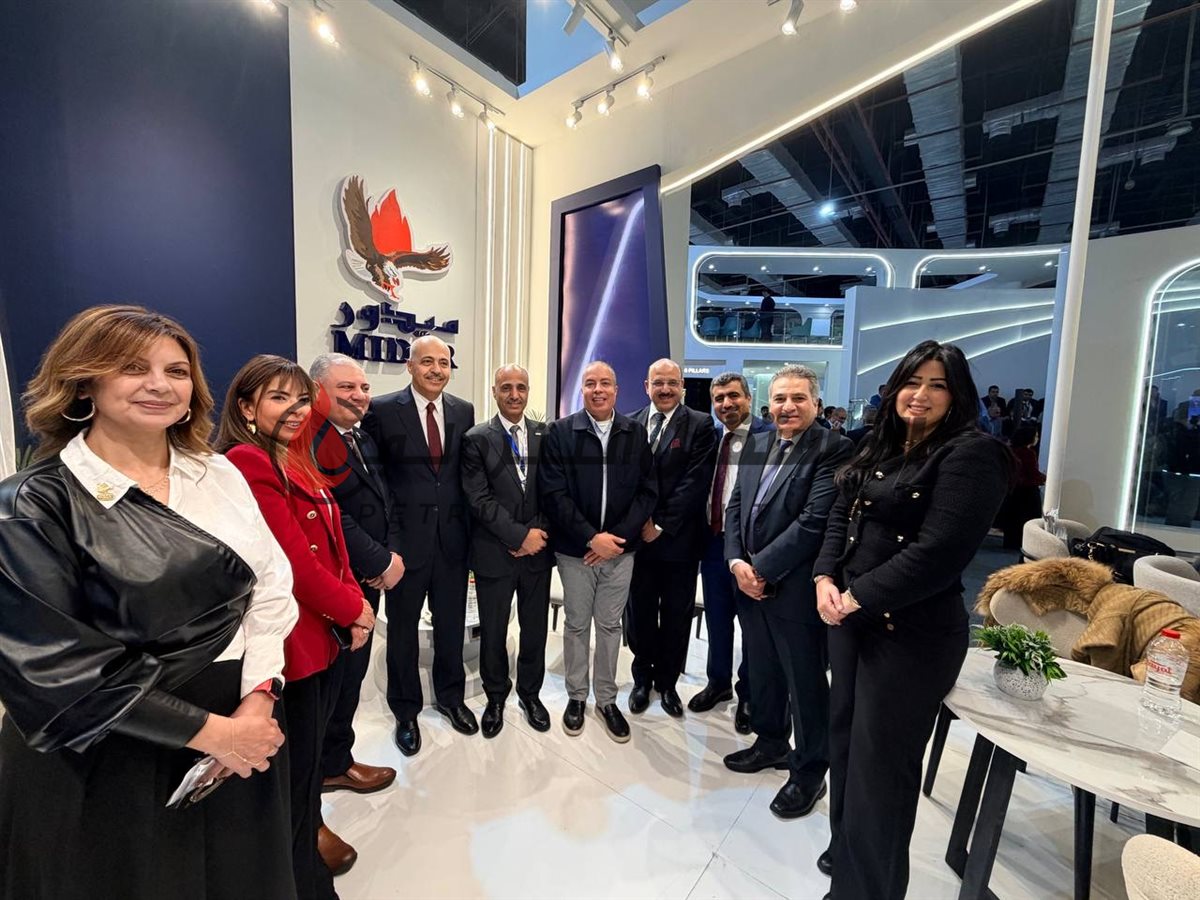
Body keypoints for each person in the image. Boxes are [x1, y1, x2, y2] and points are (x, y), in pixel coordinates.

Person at [0, 306, 296, 898]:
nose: (159, 384)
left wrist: (259, 699)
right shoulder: (33, 502)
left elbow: (271, 586)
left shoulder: (218, 473)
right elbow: (54, 666)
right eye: (133, 367)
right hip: (110, 747)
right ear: (84, 381)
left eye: (176, 371)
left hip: (241, 724)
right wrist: (212, 734)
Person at [813, 340, 1011, 900]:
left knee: (880, 774)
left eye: (937, 385)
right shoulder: (881, 444)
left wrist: (854, 597)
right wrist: (824, 577)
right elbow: (840, 515)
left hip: (910, 637)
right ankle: (847, 873)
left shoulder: (972, 455)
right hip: (850, 622)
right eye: (912, 381)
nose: (920, 394)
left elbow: (939, 552)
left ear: (958, 395)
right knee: (845, 751)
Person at [220, 355, 375, 900]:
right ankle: (304, 882)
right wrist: (352, 609)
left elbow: (331, 544)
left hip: (321, 635)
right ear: (246, 407)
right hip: (294, 644)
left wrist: (352, 600)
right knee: (294, 777)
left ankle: (304, 860)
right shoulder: (248, 460)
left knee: (306, 774)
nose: (295, 409)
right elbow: (293, 562)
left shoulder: (291, 456)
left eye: (302, 399)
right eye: (278, 398)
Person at [723, 365, 852, 819]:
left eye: (798, 398)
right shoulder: (758, 443)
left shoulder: (834, 449)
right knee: (763, 671)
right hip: (749, 583)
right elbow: (736, 506)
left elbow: (814, 522)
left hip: (795, 589)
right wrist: (736, 562)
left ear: (816, 403)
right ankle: (771, 742)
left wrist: (760, 569)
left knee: (805, 683)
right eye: (779, 398)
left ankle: (810, 770)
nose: (788, 407)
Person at [362, 335, 477, 755]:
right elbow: (377, 483)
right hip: (404, 544)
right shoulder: (380, 411)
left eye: (443, 363)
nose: (436, 370)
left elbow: (460, 478)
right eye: (427, 362)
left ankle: (451, 698)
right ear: (410, 366)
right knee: (403, 631)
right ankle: (406, 710)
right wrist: (387, 545)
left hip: (452, 542)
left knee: (450, 626)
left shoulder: (464, 410)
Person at [307, 355, 398, 853]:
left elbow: (384, 501)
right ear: (317, 390)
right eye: (347, 387)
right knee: (327, 687)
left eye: (364, 388)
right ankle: (318, 779)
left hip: (367, 578)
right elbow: (333, 515)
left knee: (350, 678)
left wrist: (388, 557)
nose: (360, 396)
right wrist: (378, 559)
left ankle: (336, 763)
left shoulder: (359, 436)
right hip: (336, 581)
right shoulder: (307, 440)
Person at [538, 361, 657, 741]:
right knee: (576, 624)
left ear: (617, 390)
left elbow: (647, 491)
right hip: (575, 552)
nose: (598, 389)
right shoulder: (560, 432)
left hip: (620, 552)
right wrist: (591, 538)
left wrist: (614, 540)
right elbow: (553, 494)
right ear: (582, 390)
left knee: (609, 626)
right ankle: (576, 696)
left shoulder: (635, 432)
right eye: (590, 383)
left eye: (606, 383)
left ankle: (606, 700)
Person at [460, 365, 554, 737]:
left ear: (528, 391)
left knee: (534, 630)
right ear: (495, 391)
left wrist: (537, 535)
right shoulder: (476, 438)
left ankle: (531, 695)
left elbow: (555, 490)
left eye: (521, 388)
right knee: (494, 631)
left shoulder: (546, 435)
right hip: (494, 553)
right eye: (506, 388)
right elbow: (478, 499)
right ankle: (495, 696)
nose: (514, 395)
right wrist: (518, 537)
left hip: (538, 553)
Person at [627, 359, 717, 718]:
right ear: (646, 386)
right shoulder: (630, 423)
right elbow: (624, 481)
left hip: (679, 541)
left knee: (676, 616)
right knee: (640, 613)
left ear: (682, 386)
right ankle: (641, 680)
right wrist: (637, 524)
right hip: (638, 541)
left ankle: (667, 684)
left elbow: (695, 482)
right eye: (658, 382)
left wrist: (660, 524)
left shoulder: (700, 424)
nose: (665, 389)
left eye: (672, 383)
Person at [689, 372, 772, 732]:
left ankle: (748, 693)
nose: (727, 404)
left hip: (752, 548)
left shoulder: (769, 438)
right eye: (719, 398)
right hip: (713, 542)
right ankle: (718, 682)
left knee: (751, 625)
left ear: (749, 398)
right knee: (717, 618)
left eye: (734, 396)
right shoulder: (710, 437)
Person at [998, 425, 1045, 549]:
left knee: (1013, 518)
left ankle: (1010, 542)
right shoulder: (1028, 453)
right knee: (1027, 518)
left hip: (1013, 490)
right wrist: (1044, 478)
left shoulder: (1010, 450)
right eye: (1036, 436)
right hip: (1028, 491)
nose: (1037, 438)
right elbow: (1032, 473)